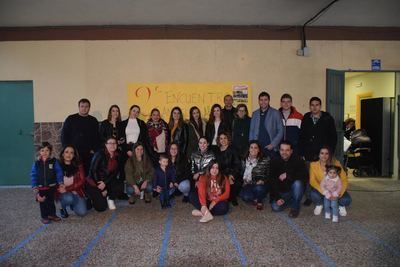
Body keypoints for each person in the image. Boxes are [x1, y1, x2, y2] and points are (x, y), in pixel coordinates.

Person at [309, 146, 351, 217]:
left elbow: (344, 180)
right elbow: (312, 181)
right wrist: (324, 192)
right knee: (313, 194)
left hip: (336, 189)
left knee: (347, 200)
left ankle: (340, 206)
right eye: (322, 153)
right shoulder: (313, 165)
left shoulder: (336, 163)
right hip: (322, 190)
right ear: (319, 155)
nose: (324, 156)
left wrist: (338, 193)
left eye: (326, 153)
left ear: (329, 155)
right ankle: (320, 204)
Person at [61, 98, 100, 175]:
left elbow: (97, 137)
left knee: (87, 174)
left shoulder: (93, 120)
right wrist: (67, 149)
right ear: (79, 107)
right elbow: (64, 135)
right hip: (74, 153)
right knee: (74, 174)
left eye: (86, 106)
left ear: (89, 108)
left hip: (88, 153)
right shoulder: (71, 119)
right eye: (82, 106)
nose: (84, 108)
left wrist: (94, 150)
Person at [85, 137, 125, 211]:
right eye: (110, 143)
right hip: (94, 181)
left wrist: (105, 183)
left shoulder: (117, 155)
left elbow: (115, 172)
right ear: (106, 145)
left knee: (120, 185)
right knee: (101, 208)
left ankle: (110, 198)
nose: (112, 145)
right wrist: (100, 185)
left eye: (114, 143)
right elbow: (93, 171)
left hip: (106, 181)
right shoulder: (99, 154)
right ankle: (90, 197)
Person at [270, 141, 308, 218]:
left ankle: (295, 208)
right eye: (282, 150)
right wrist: (277, 197)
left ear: (291, 151)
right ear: (279, 150)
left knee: (298, 183)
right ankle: (294, 200)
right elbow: (271, 180)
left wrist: (288, 175)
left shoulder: (298, 160)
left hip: (294, 189)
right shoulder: (274, 161)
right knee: (275, 207)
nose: (284, 152)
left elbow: (304, 176)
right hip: (282, 192)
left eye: (287, 150)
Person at [30, 142, 63, 224]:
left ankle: (52, 214)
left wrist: (60, 182)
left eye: (47, 150)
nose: (44, 152)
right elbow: (33, 175)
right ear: (39, 152)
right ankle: (44, 216)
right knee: (43, 202)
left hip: (52, 186)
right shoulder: (36, 163)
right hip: (41, 187)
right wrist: (34, 186)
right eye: (42, 150)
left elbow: (59, 172)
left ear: (50, 151)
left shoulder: (54, 161)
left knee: (51, 201)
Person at [299, 97, 337, 162]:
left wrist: (330, 153)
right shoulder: (306, 117)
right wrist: (302, 153)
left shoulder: (328, 119)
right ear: (310, 106)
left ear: (320, 106)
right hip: (308, 154)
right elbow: (302, 136)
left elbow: (333, 137)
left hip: (323, 155)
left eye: (317, 105)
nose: (314, 107)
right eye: (312, 105)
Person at [249, 92, 283, 158]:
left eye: (265, 100)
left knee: (270, 167)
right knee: (258, 168)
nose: (263, 102)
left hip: (270, 148)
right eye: (261, 100)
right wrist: (251, 146)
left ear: (269, 100)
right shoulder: (254, 113)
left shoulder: (276, 113)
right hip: (257, 149)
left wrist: (273, 144)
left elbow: (281, 131)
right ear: (258, 101)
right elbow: (251, 131)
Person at [57, 145, 87, 218]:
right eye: (66, 152)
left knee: (82, 212)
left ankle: (73, 204)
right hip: (62, 192)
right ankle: (62, 207)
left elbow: (82, 181)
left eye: (71, 153)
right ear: (63, 154)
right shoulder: (57, 165)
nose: (69, 154)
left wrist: (67, 189)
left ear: (74, 155)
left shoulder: (78, 165)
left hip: (76, 191)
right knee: (69, 198)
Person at [240, 141, 270, 210]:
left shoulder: (265, 160)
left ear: (259, 150)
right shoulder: (243, 159)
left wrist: (263, 181)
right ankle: (257, 197)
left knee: (259, 188)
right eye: (251, 147)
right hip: (247, 184)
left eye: (256, 148)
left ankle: (259, 201)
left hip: (259, 184)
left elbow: (270, 174)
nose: (253, 150)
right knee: (246, 197)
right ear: (249, 149)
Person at [215, 132, 241, 206]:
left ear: (228, 139)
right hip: (221, 173)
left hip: (232, 172)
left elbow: (237, 164)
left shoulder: (233, 150)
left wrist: (232, 175)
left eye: (225, 138)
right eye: (221, 138)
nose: (223, 140)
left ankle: (233, 197)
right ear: (219, 140)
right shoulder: (217, 151)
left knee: (231, 182)